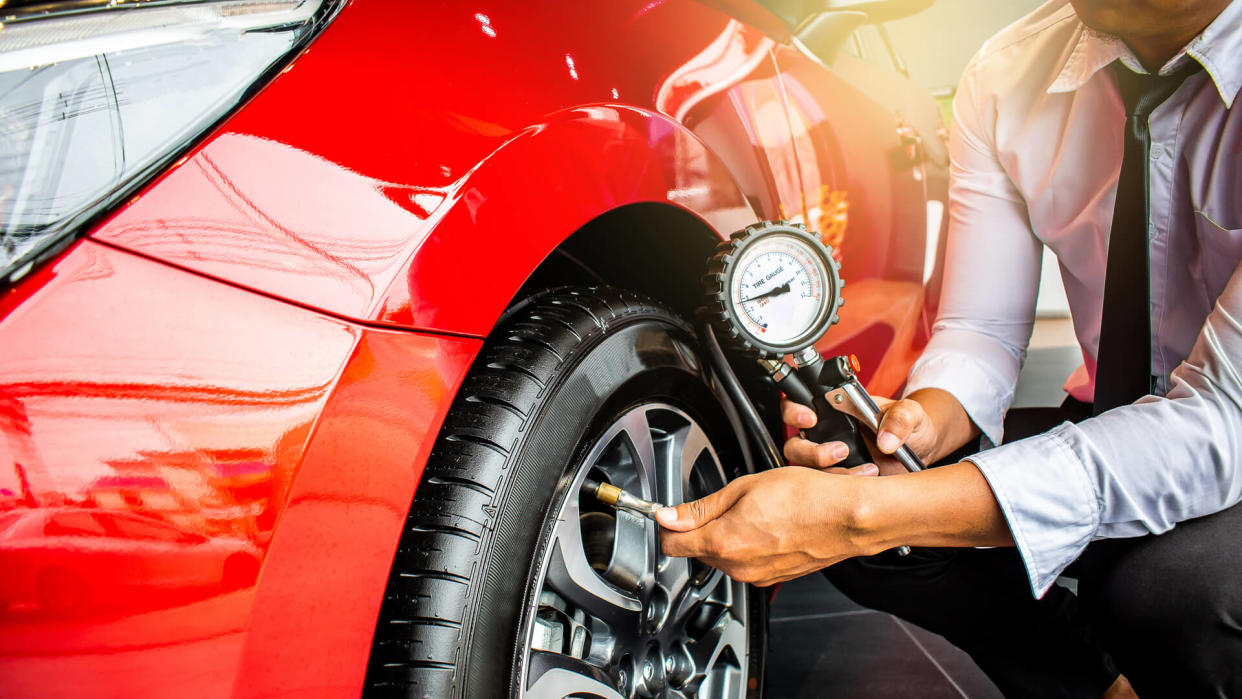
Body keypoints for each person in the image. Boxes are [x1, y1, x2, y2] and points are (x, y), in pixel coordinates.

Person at [657, 0, 1242, 696]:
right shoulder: (1007, 75)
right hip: (1124, 407)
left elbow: (1221, 417)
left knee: (1166, 591)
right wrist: (922, 422)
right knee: (877, 511)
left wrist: (858, 518)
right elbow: (981, 332)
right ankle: (1098, 684)